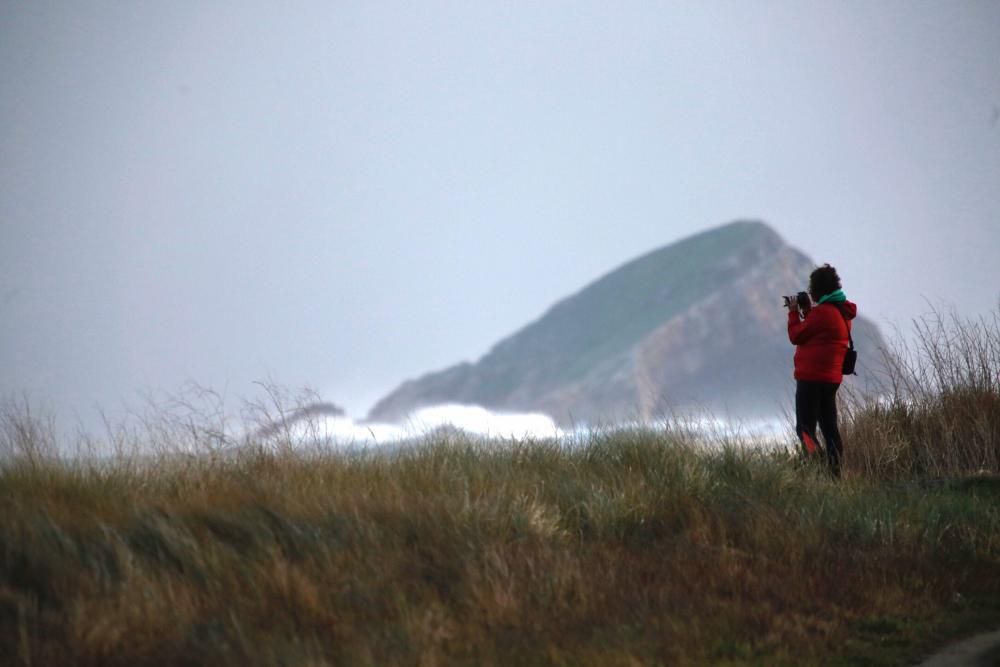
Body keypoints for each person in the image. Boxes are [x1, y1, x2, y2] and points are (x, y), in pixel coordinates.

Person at [786, 264, 856, 478]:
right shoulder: (841, 311)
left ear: (817, 289)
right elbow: (818, 331)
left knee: (804, 429)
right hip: (831, 379)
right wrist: (807, 311)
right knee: (829, 428)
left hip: (811, 379)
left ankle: (816, 465)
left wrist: (792, 313)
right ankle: (834, 476)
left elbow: (796, 335)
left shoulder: (823, 313)